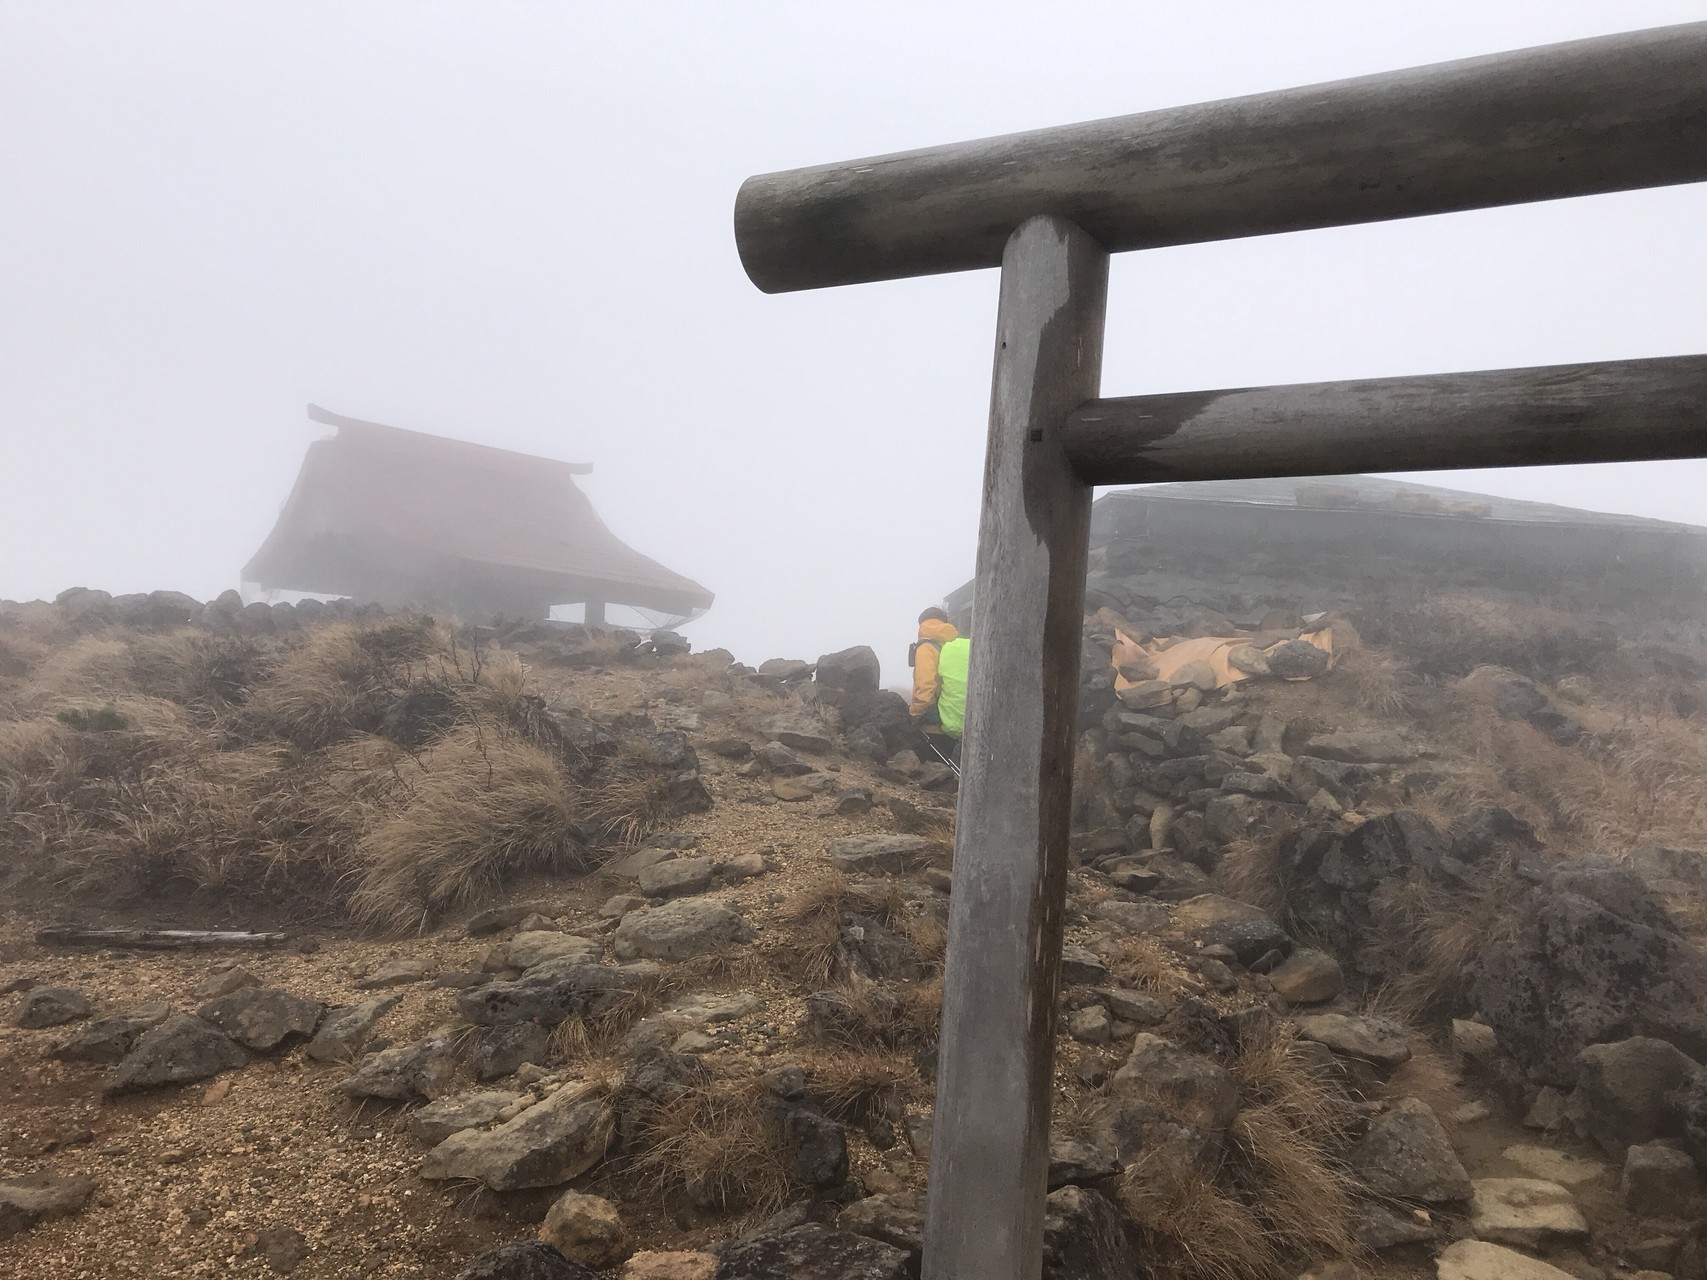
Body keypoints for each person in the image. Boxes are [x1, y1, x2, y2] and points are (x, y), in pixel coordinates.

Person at [909, 607, 970, 763]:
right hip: (953, 719)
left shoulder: (926, 647)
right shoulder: (953, 646)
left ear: (922, 624)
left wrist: (914, 714)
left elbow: (925, 684)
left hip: (932, 723)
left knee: (930, 769)